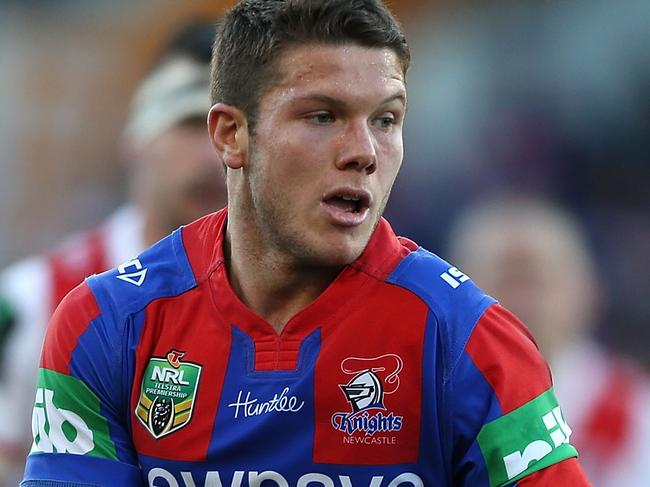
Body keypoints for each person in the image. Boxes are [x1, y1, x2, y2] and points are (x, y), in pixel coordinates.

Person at [21, 1, 592, 486]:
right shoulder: (107, 324)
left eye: (387, 120)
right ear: (231, 134)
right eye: (323, 116)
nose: (364, 151)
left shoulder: (472, 342)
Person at [0, 22, 226, 486]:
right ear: (137, 136)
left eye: (232, 130)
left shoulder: (292, 301)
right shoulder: (35, 297)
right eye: (189, 123)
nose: (212, 155)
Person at [446, 193, 650, 487]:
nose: (522, 302)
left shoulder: (639, 413)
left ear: (590, 292)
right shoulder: (422, 413)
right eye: (505, 282)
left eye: (537, 281)